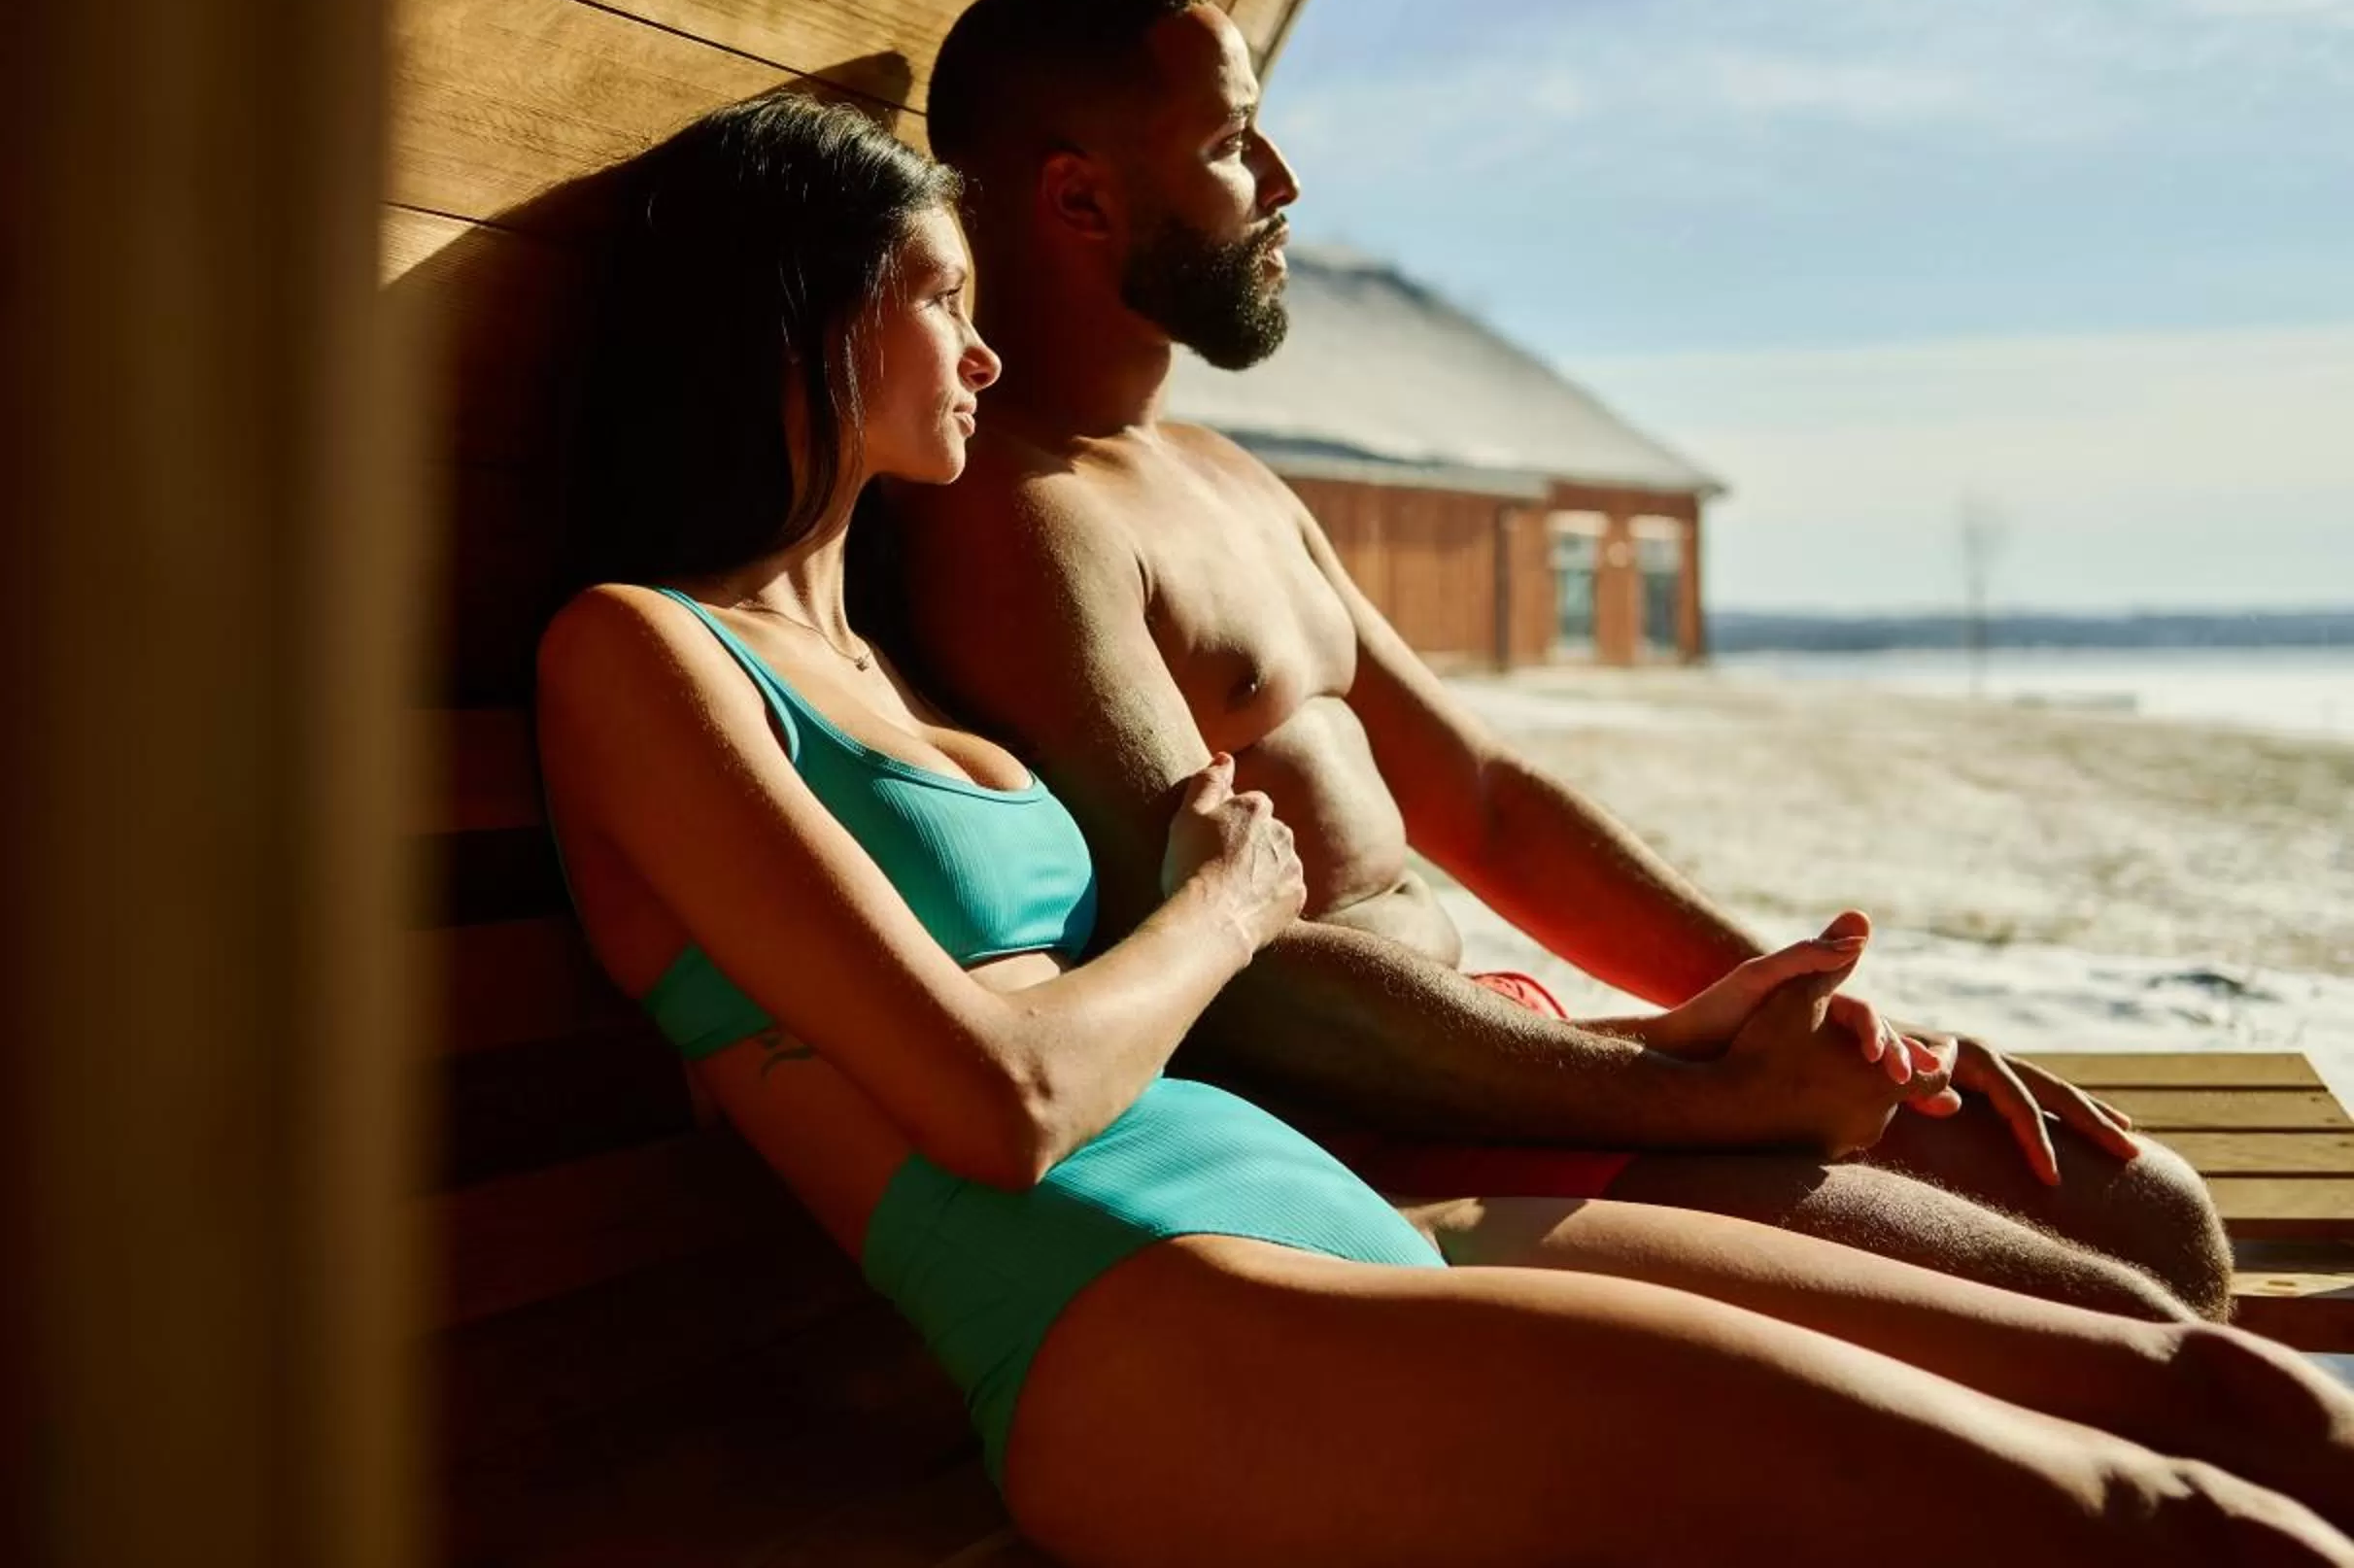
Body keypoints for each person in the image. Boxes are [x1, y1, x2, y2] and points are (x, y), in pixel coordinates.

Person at [534, 90, 2354, 1567]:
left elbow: (1440, 818)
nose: (985, 353)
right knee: (2153, 1523)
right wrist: (1228, 908)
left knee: (2210, 1398)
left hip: (1329, 1215)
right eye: (940, 296)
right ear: (804, 312)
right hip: (1156, 1320)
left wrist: (1688, 1021)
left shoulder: (875, 655)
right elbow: (993, 1104)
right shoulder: (637, 651)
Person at [890, 0, 2237, 1324]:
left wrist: (1805, 1009)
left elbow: (1481, 797)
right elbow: (1245, 985)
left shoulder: (1221, 476)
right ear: (1079, 198)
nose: (1288, 181)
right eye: (1235, 144)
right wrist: (1703, 1097)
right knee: (2122, 1307)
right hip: (1369, 1141)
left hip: (1504, 1047)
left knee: (2152, 1215)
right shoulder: (1017, 517)